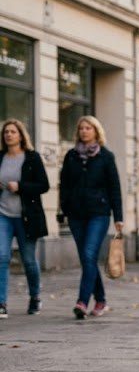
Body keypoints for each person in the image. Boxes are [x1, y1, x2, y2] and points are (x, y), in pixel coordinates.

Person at [59, 115, 123, 320]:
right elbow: (65, 185)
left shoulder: (106, 156)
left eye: (88, 128)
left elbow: (114, 187)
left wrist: (118, 216)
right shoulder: (71, 156)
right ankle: (101, 299)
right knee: (88, 259)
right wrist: (63, 210)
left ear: (96, 131)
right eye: (81, 128)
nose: (84, 131)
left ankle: (82, 301)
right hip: (76, 214)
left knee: (88, 255)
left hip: (99, 213)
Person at [0, 119, 48, 318]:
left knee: (28, 260)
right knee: (2, 257)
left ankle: (35, 296)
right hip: (3, 215)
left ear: (21, 135)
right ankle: (1, 302)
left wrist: (20, 187)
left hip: (26, 217)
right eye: (6, 132)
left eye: (13, 131)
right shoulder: (0, 157)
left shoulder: (32, 158)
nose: (9, 135)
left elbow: (43, 185)